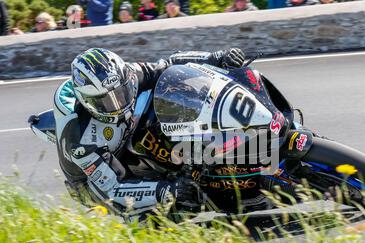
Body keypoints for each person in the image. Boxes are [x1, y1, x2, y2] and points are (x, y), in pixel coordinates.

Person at [53, 47, 245, 221]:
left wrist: (215, 57)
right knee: (149, 216)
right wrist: (167, 190)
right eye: (107, 101)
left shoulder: (128, 75)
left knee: (168, 94)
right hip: (93, 180)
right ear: (89, 103)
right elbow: (114, 188)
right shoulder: (79, 139)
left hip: (124, 136)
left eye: (121, 93)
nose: (119, 104)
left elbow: (168, 66)